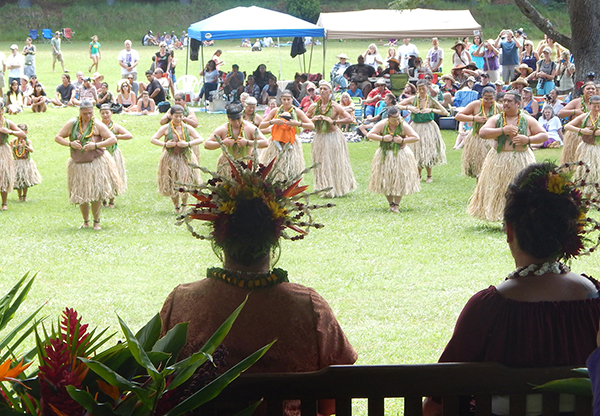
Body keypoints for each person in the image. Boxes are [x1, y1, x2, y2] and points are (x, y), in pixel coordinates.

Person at [160, 153, 357, 416]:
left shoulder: (182, 302)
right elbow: (332, 402)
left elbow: (154, 384)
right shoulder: (308, 306)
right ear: (276, 237)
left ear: (218, 238)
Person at [424, 161, 600, 416]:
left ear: (509, 231)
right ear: (570, 234)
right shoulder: (595, 302)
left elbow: (439, 402)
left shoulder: (487, 309)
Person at [467, 90, 548, 222]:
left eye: (509, 101)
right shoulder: (496, 119)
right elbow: (483, 132)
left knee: (521, 189)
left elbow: (544, 135)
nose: (505, 103)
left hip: (521, 159)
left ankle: (521, 216)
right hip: (499, 159)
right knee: (500, 190)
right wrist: (502, 130)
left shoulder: (527, 120)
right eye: (504, 100)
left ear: (518, 103)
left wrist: (527, 140)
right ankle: (502, 216)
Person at [54, 100, 123, 230]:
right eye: (85, 113)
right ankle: (86, 221)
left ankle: (96, 222)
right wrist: (70, 144)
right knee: (82, 194)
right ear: (80, 112)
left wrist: (95, 145)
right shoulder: (72, 124)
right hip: (78, 164)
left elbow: (112, 138)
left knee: (95, 194)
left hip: (95, 163)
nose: (88, 116)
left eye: (90, 113)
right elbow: (58, 137)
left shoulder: (97, 124)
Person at [307, 81, 357, 198]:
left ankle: (338, 187)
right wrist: (313, 119)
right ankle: (323, 187)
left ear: (330, 92)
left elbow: (350, 119)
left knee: (334, 162)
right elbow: (305, 120)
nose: (322, 91)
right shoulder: (314, 106)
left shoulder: (335, 106)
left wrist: (334, 121)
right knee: (322, 162)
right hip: (319, 136)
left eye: (325, 89)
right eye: (321, 88)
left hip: (333, 136)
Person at [150, 104, 203, 213]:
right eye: (176, 116)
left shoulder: (187, 128)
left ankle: (184, 206)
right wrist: (165, 144)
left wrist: (188, 143)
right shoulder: (165, 128)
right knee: (172, 181)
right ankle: (176, 207)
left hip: (184, 158)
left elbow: (200, 139)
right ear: (170, 115)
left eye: (180, 116)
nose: (178, 119)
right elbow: (153, 139)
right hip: (171, 157)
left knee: (184, 181)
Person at [366, 106, 420, 212]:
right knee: (386, 179)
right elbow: (370, 134)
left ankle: (396, 205)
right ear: (388, 118)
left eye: (398, 117)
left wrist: (402, 140)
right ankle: (391, 204)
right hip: (385, 154)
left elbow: (416, 137)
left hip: (400, 154)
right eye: (394, 119)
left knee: (399, 179)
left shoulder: (403, 125)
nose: (397, 121)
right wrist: (383, 138)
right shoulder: (383, 124)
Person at [399, 80, 449, 183]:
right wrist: (409, 107)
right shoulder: (413, 99)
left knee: (428, 151)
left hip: (428, 126)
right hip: (416, 126)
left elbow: (445, 112)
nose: (421, 91)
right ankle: (418, 175)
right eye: (419, 89)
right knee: (416, 151)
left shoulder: (431, 100)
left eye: (423, 88)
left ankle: (429, 175)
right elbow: (398, 105)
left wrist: (431, 110)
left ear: (427, 88)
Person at [259, 90, 314, 182]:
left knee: (291, 166)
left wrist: (297, 123)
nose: (286, 102)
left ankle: (290, 184)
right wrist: (272, 122)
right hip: (275, 141)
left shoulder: (297, 111)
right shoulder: (275, 111)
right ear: (281, 100)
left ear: (292, 99)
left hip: (291, 142)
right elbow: (261, 125)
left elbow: (311, 125)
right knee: (274, 165)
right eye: (284, 99)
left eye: (288, 99)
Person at [204, 102, 268, 177]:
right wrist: (222, 143)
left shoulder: (250, 127)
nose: (237, 122)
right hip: (227, 164)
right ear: (228, 118)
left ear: (242, 116)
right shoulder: (223, 129)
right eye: (233, 120)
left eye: (238, 119)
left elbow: (265, 143)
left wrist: (247, 142)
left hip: (246, 163)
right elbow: (207, 144)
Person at [456, 87, 501, 178]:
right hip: (477, 139)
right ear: (482, 97)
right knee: (479, 169)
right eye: (486, 99)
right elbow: (458, 116)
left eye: (491, 99)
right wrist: (473, 118)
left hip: (493, 139)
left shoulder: (499, 108)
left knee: (492, 169)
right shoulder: (475, 105)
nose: (488, 101)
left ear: (494, 97)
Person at [99, 104, 133, 208]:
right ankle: (103, 199)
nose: (105, 115)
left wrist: (116, 137)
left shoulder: (115, 126)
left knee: (113, 176)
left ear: (111, 113)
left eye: (107, 113)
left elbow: (129, 135)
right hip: (100, 155)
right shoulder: (97, 126)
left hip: (113, 153)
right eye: (103, 113)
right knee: (101, 177)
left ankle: (111, 201)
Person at [558, 81, 596, 165]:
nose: (591, 90)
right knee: (572, 158)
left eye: (593, 89)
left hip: (592, 135)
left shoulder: (597, 103)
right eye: (588, 88)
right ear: (583, 91)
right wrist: (575, 111)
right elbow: (560, 113)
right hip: (575, 133)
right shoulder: (577, 102)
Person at [0, 102, 25, 210]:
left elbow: (22, 134)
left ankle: (4, 203)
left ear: (2, 110)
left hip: (3, 150)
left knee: (3, 176)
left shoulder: (7, 122)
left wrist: (9, 132)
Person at [10, 123, 41, 202]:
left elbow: (31, 150)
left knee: (25, 180)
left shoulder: (27, 141)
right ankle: (19, 196)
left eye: (23, 132)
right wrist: (12, 147)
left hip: (25, 162)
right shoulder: (14, 141)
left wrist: (25, 146)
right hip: (17, 162)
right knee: (18, 180)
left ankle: (24, 196)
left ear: (26, 132)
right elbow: (11, 152)